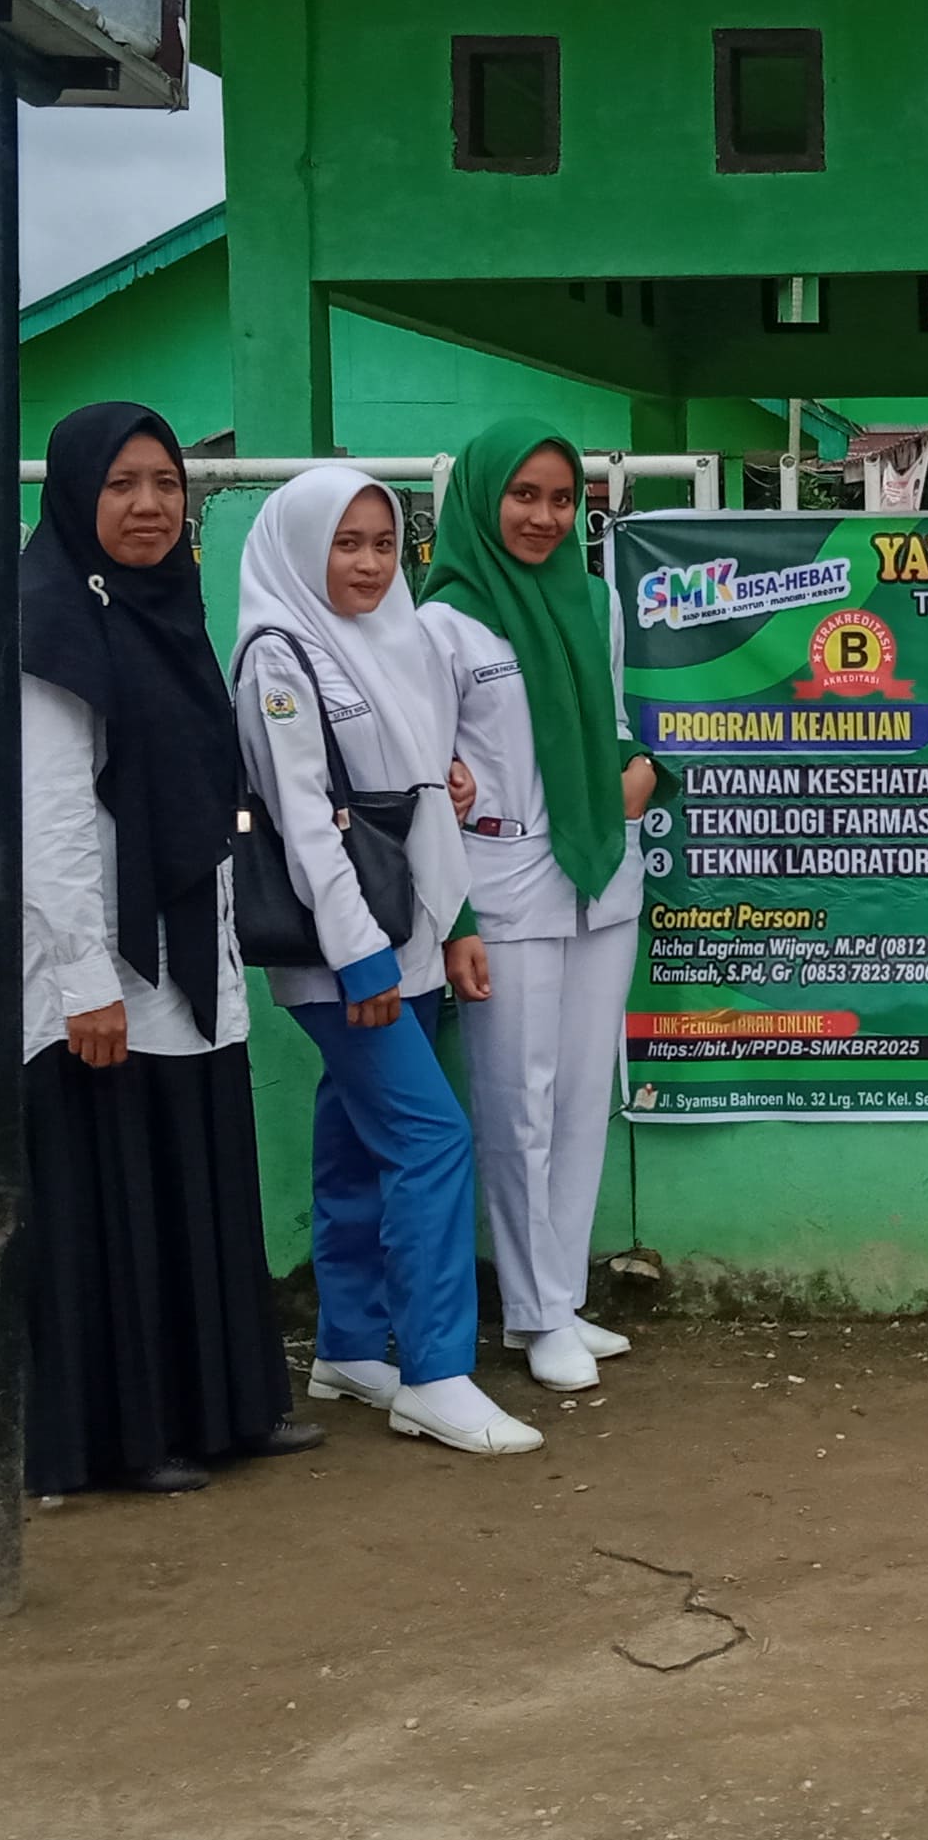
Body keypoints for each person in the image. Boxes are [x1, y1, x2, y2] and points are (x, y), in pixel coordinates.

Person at [15, 403, 317, 1496]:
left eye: (165, 484)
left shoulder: (167, 610)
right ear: (74, 495)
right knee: (117, 1200)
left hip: (187, 957)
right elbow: (49, 818)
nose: (148, 506)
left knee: (195, 1182)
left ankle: (223, 1411)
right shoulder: (50, 623)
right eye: (120, 485)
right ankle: (125, 1438)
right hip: (102, 972)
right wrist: (84, 981)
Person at [237, 464, 539, 1458]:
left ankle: (351, 1345)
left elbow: (414, 793)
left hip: (406, 934)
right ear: (299, 547)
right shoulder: (280, 654)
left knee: (355, 1138)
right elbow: (304, 824)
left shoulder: (391, 640)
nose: (368, 564)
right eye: (345, 543)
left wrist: (452, 921)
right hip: (347, 951)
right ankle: (435, 1373)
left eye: (381, 543)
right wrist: (360, 957)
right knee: (431, 1139)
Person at [422, 422, 655, 1395]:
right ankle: (532, 1310)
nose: (545, 517)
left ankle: (559, 1295)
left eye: (563, 500)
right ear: (483, 500)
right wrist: (454, 923)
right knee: (517, 1101)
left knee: (580, 1100)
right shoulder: (444, 623)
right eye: (524, 495)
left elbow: (608, 721)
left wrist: (642, 768)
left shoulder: (594, 599)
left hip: (601, 872)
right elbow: (423, 776)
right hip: (503, 880)